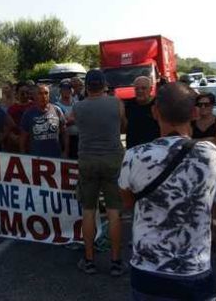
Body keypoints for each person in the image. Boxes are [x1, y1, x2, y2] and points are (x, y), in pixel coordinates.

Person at [119, 83, 216, 300]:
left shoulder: (135, 156)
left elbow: (127, 202)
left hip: (148, 269)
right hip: (194, 269)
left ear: (155, 112)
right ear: (194, 113)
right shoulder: (211, 154)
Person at [70, 69, 127, 276]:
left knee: (88, 211)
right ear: (104, 85)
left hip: (87, 160)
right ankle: (116, 262)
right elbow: (123, 126)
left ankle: (89, 260)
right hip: (112, 159)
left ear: (87, 86)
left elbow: (70, 121)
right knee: (113, 212)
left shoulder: (78, 106)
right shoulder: (116, 103)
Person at [192, 92, 216, 256]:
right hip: (196, 170)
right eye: (200, 104)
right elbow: (185, 141)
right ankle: (209, 239)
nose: (203, 108)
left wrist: (196, 141)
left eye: (206, 104)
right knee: (201, 207)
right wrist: (209, 139)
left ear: (212, 105)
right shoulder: (192, 123)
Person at [20, 84, 68, 158]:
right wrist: (24, 156)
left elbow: (65, 133)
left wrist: (66, 151)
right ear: (34, 96)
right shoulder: (28, 114)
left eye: (46, 93)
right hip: (36, 157)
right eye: (40, 93)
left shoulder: (57, 110)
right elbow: (23, 139)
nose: (44, 96)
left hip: (56, 156)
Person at [124, 76, 160, 149]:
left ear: (151, 89)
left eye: (143, 88)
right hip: (134, 148)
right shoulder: (129, 105)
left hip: (155, 148)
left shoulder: (158, 104)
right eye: (137, 89)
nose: (140, 91)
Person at [5, 82, 33, 152]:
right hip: (16, 145)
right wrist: (13, 136)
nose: (25, 95)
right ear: (17, 93)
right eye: (22, 93)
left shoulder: (35, 106)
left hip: (32, 143)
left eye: (27, 93)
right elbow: (7, 127)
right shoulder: (12, 109)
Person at [55, 80, 79, 159]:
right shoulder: (56, 106)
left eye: (68, 89)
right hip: (63, 138)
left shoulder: (77, 103)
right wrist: (72, 120)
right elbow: (61, 123)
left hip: (78, 138)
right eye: (64, 89)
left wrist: (70, 120)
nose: (66, 91)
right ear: (60, 91)